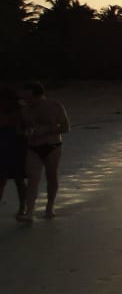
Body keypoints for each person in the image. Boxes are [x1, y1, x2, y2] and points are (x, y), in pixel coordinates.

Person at [20, 82, 70, 222]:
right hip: (33, 147)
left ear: (39, 96)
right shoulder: (24, 110)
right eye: (24, 97)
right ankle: (30, 212)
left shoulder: (55, 106)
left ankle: (49, 207)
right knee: (33, 179)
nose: (25, 100)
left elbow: (66, 127)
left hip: (52, 146)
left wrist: (46, 130)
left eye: (28, 97)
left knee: (51, 176)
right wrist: (27, 132)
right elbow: (21, 129)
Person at [0, 87, 28, 220]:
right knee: (2, 180)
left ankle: (23, 207)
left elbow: (28, 128)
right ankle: (23, 207)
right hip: (4, 146)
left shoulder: (20, 111)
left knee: (19, 179)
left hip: (17, 146)